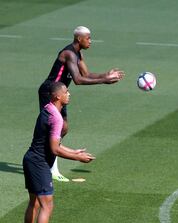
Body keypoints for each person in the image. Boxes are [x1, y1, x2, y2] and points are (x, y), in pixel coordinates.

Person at [38, 26, 124, 181]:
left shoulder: (78, 53)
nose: (90, 41)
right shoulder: (69, 54)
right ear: (79, 38)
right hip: (50, 93)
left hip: (60, 94)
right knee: (56, 127)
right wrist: (104, 81)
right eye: (88, 38)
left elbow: (86, 74)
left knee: (63, 128)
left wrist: (106, 75)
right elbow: (78, 80)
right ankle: (50, 167)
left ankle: (49, 162)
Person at [23, 82, 95, 223]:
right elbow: (55, 149)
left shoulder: (47, 109)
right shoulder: (56, 118)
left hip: (30, 160)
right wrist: (78, 157)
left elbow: (52, 143)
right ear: (57, 96)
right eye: (66, 92)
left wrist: (73, 151)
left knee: (35, 203)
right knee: (47, 205)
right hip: (39, 163)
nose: (69, 94)